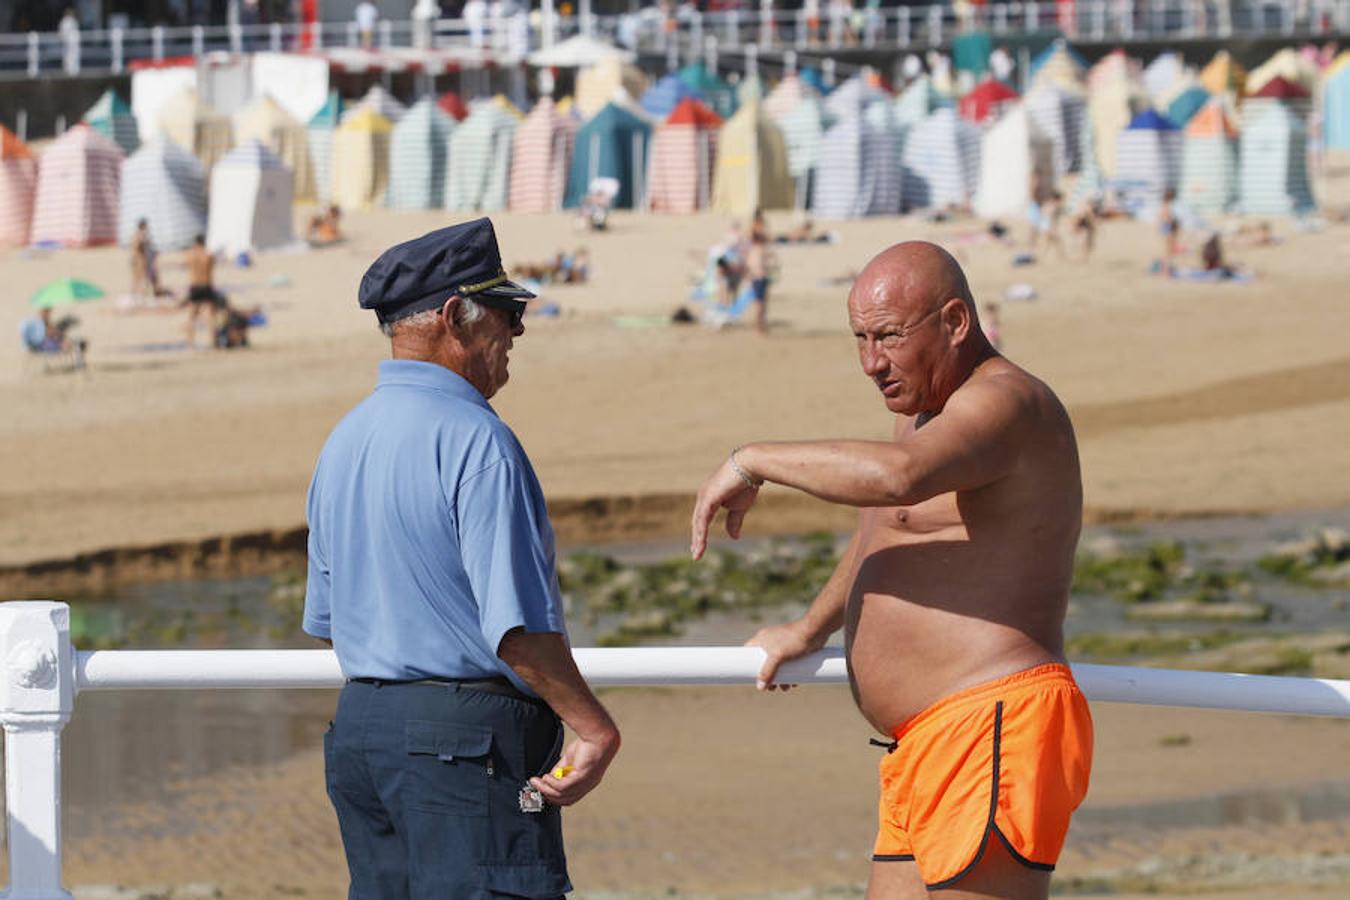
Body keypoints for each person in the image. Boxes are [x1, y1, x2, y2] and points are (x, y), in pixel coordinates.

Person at [689, 241, 1092, 899]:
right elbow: (884, 532)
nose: (872, 362)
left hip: (989, 723)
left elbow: (896, 481)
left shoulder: (1007, 404)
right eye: (859, 339)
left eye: (888, 337)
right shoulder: (926, 414)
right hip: (924, 740)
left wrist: (752, 460)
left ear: (956, 322)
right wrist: (811, 629)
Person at [304, 218, 620, 897]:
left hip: (364, 733)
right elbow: (517, 634)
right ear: (455, 317)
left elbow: (331, 620)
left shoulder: (344, 440)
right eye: (507, 314)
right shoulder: (478, 441)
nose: (518, 334)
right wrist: (593, 728)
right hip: (465, 748)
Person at [183, 235, 224, 349]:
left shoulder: (190, 255)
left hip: (195, 286)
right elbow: (211, 270)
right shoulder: (208, 255)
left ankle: (190, 343)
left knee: (192, 316)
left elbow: (188, 267)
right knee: (211, 316)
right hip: (206, 286)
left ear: (195, 243)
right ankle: (213, 342)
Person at [20, 307, 87, 369]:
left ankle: (78, 360)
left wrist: (59, 334)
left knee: (73, 342)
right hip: (42, 345)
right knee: (71, 344)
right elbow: (46, 334)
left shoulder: (44, 322)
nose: (48, 314)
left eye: (48, 312)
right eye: (46, 312)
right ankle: (78, 362)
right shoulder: (38, 323)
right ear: (41, 312)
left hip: (48, 343)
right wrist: (57, 333)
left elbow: (53, 333)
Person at [744, 229, 773, 335]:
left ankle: (761, 326)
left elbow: (749, 266)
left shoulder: (753, 250)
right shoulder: (759, 250)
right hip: (760, 278)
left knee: (760, 303)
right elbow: (759, 265)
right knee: (760, 304)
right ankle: (759, 326)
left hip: (757, 278)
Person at [1158, 188, 1180, 274]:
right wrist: (1175, 223)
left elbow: (1161, 219)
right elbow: (1168, 219)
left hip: (1165, 228)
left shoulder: (1163, 205)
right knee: (1169, 251)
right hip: (1168, 228)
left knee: (1168, 250)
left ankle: (1165, 269)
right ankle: (1165, 270)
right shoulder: (1167, 206)